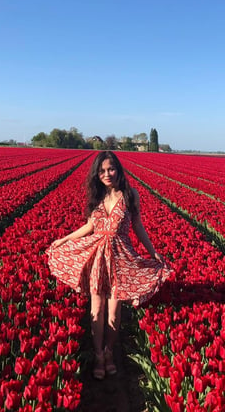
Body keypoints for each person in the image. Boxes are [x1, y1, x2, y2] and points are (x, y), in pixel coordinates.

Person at [47, 151, 173, 380]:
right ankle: (98, 355)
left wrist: (153, 252)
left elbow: (138, 226)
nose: (107, 174)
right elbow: (89, 227)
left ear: (118, 170)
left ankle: (109, 353)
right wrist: (65, 239)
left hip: (120, 257)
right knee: (97, 309)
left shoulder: (130, 195)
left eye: (111, 169)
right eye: (102, 170)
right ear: (97, 173)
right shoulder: (97, 197)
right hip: (98, 255)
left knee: (114, 311)